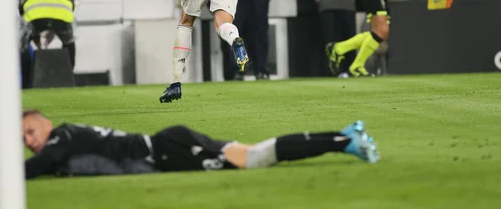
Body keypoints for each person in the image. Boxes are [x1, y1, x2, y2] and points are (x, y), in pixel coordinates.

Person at [22, 109, 380, 179]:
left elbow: (38, 165)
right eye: (23, 139)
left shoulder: (60, 139)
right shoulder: (64, 138)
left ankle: (344, 140)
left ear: (47, 125)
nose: (29, 141)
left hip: (167, 152)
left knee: (256, 158)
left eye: (30, 132)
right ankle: (344, 136)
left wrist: (10, 173)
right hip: (169, 147)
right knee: (256, 155)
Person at [19, 0, 79, 88]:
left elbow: (20, 3)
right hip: (61, 16)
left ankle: (26, 80)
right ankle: (69, 75)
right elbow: (72, 1)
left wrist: (28, 25)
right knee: (69, 43)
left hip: (35, 17)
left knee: (22, 45)